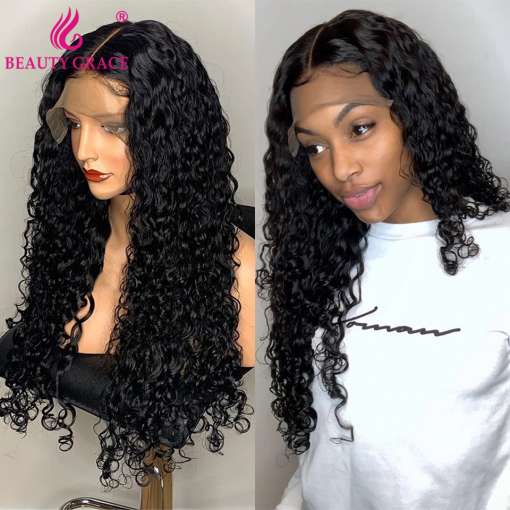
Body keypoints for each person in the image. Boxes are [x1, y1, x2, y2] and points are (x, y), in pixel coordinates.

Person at [258, 9, 510, 509]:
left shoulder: (502, 254)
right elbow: (325, 440)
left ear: (415, 113)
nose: (340, 169)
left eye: (360, 128)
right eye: (314, 147)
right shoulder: (319, 254)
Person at [0, 19, 255, 488]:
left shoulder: (239, 274)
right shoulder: (74, 243)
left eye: (113, 127)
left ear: (170, 133)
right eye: (73, 124)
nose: (84, 151)